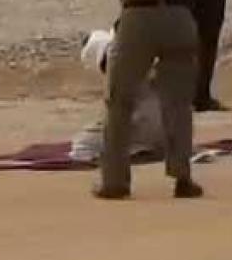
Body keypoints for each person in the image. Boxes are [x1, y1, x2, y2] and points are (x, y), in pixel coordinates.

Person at [95, 0, 202, 200]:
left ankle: (115, 180)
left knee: (120, 100)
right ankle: (182, 175)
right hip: (178, 14)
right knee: (178, 102)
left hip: (138, 14)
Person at [70, 29, 165, 163]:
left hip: (146, 126)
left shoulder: (120, 69)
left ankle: (139, 148)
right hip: (172, 130)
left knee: (83, 143)